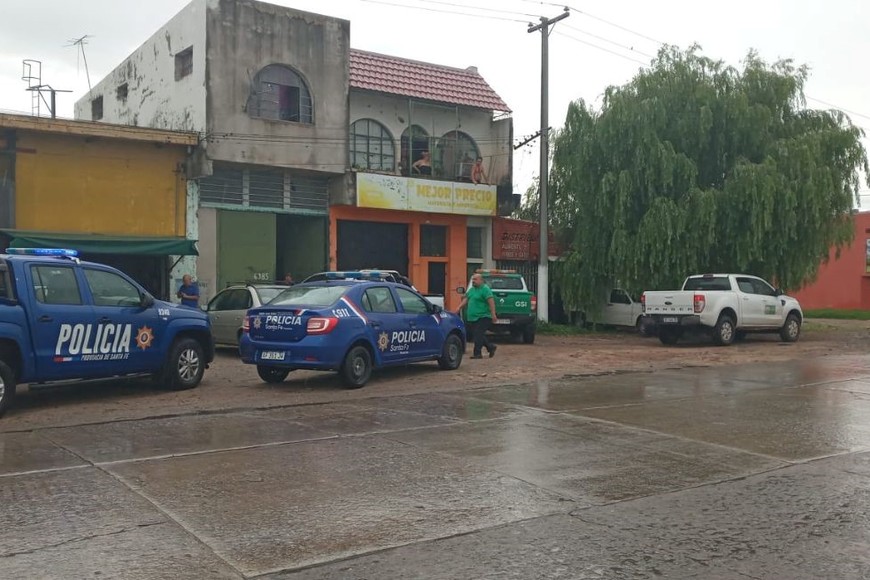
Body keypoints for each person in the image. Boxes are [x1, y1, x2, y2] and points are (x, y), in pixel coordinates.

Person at [456, 273, 498, 359]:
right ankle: (490, 347)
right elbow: (466, 299)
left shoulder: (485, 289)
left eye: (475, 279)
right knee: (478, 334)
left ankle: (477, 353)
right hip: (473, 317)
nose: (473, 281)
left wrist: (493, 314)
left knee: (478, 334)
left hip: (484, 316)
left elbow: (491, 302)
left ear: (481, 280)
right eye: (472, 279)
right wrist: (459, 307)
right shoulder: (472, 289)